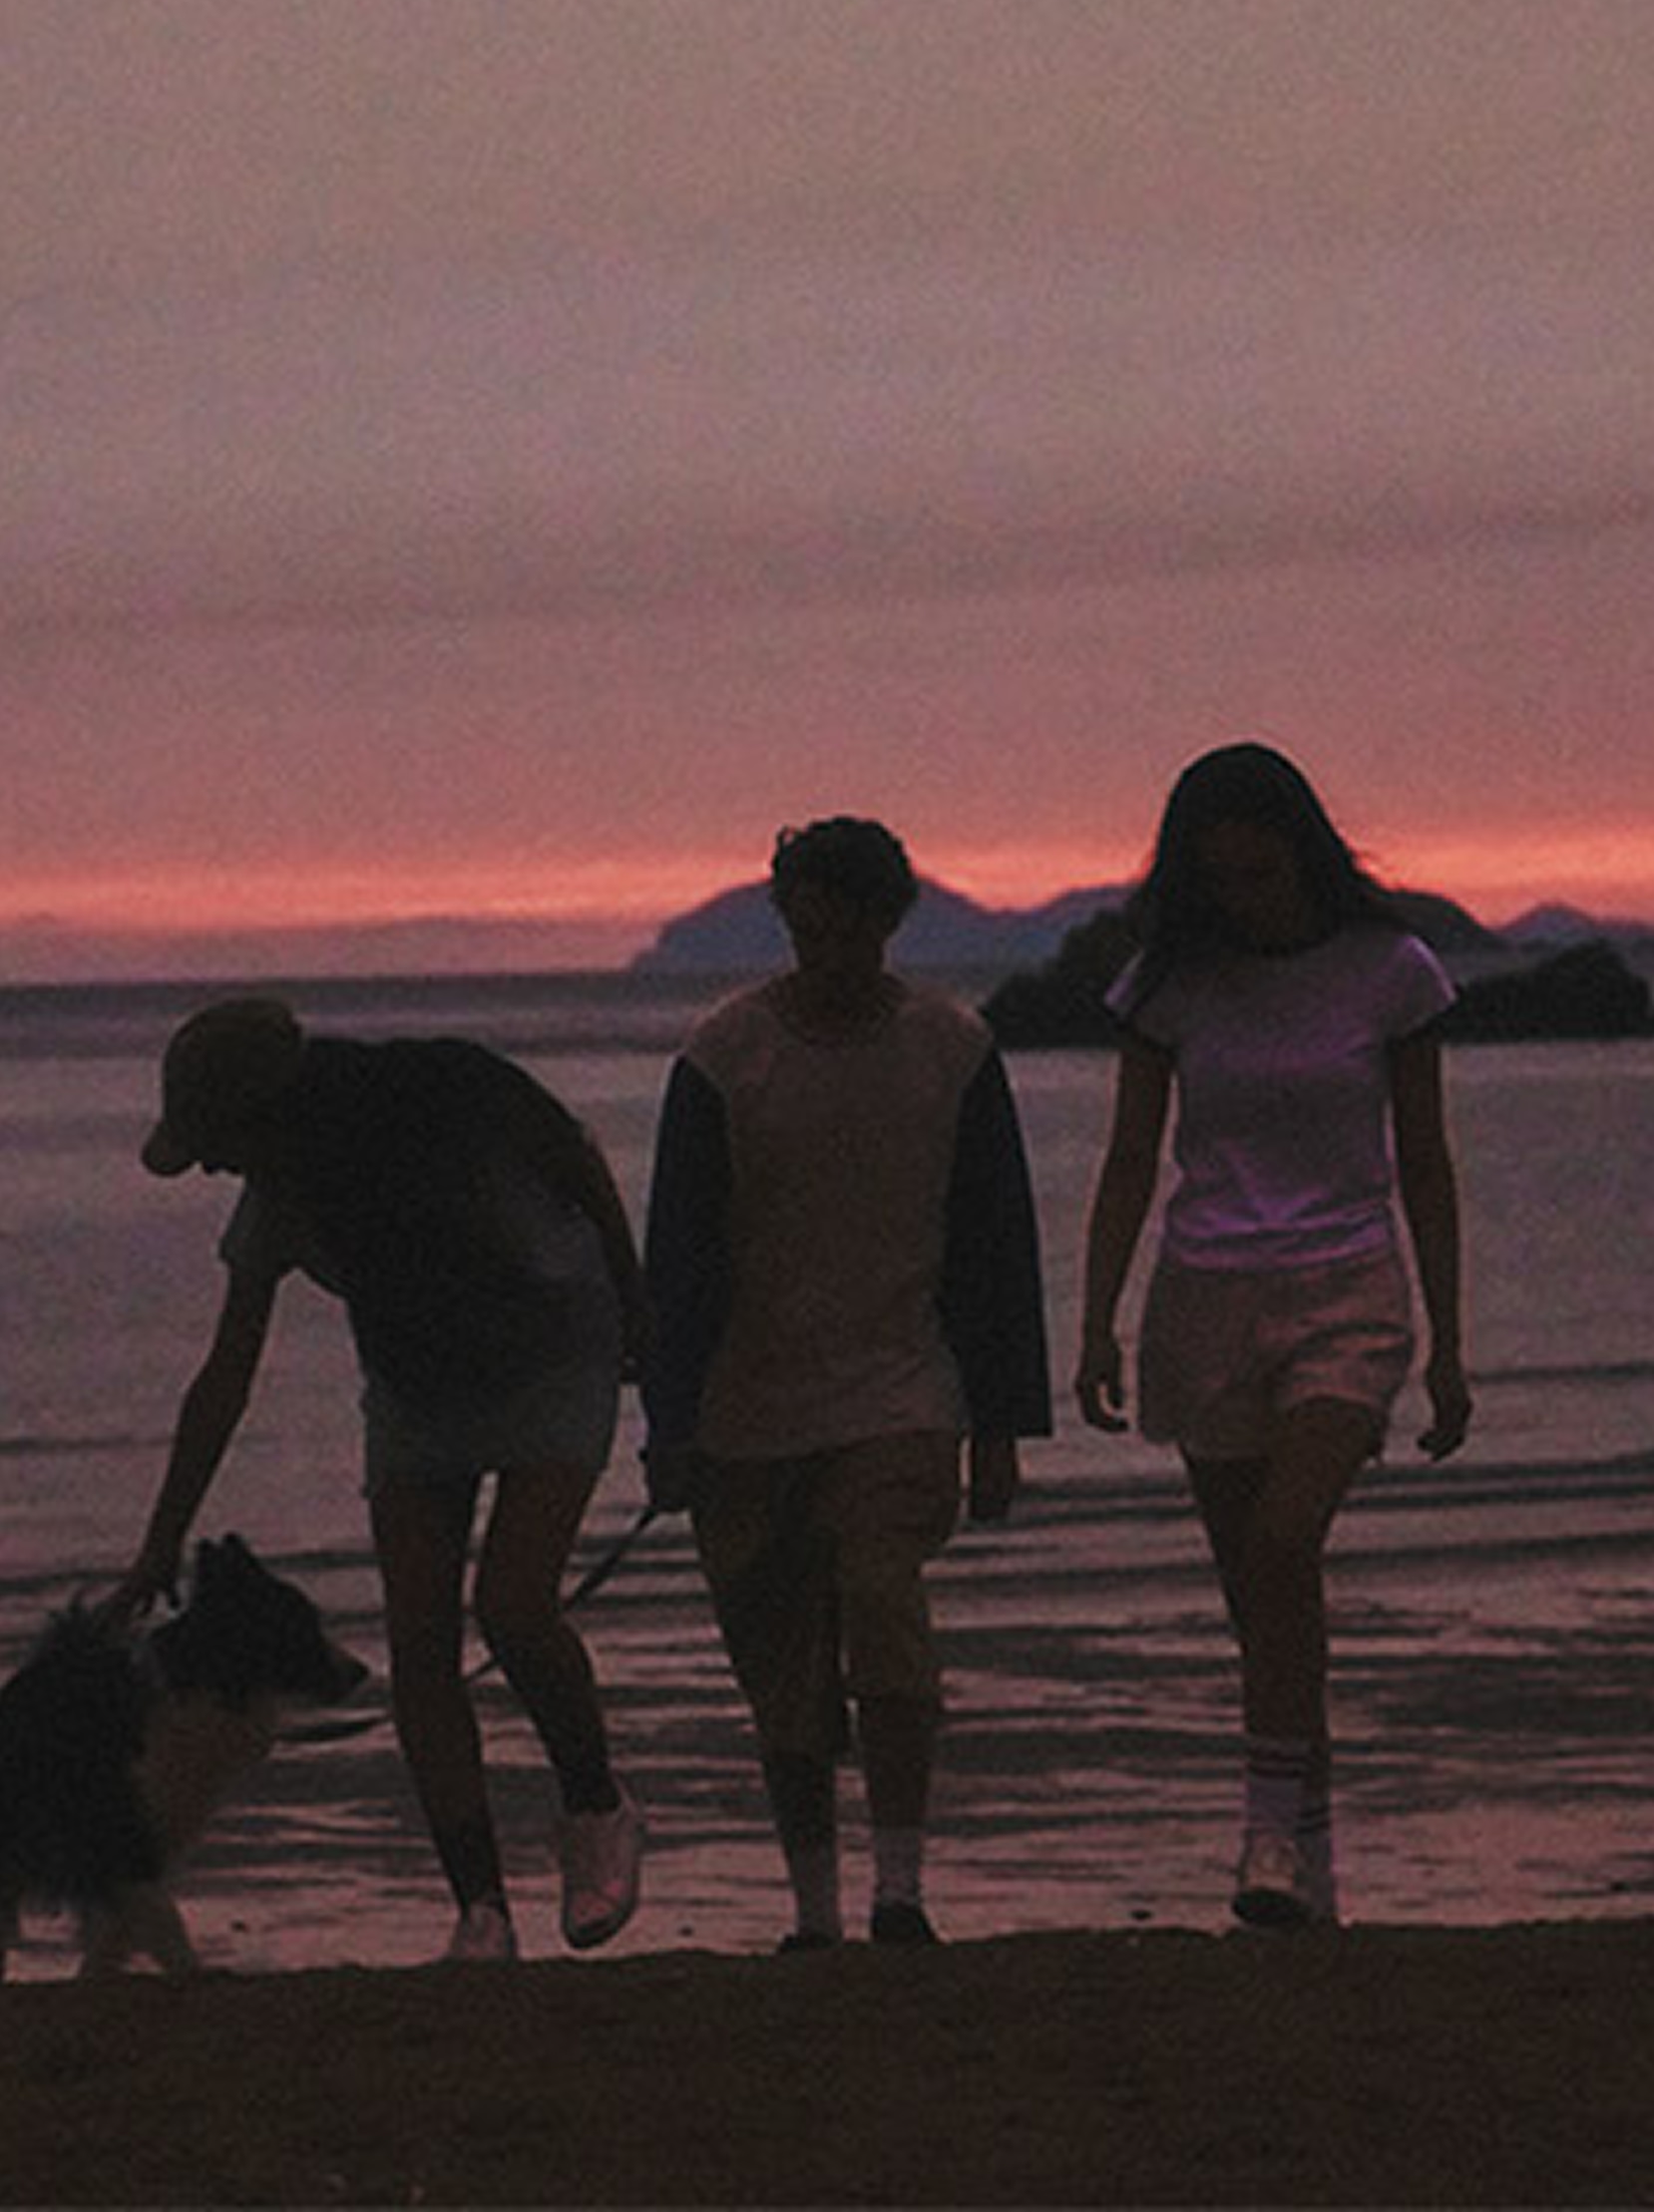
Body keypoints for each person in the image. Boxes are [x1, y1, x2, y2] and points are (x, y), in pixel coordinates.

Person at [118, 995, 646, 1963]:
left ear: (265, 1114)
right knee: (420, 1642)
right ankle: (480, 1907)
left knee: (516, 1605)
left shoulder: (450, 1098)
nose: (207, 1162)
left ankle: (594, 1801)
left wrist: (641, 1305)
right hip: (418, 1390)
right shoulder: (280, 1193)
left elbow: (575, 1156)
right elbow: (224, 1373)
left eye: (212, 1138)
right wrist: (161, 1538)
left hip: (553, 1351)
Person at [1074, 741, 1470, 1930]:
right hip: (1207, 1297)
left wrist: (1450, 1343)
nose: (1243, 897)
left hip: (1346, 1287)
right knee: (1263, 1597)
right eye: (1221, 879)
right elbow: (1132, 1157)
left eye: (1260, 870)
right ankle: (1308, 1839)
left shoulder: (1391, 971)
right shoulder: (1168, 983)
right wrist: (1095, 1320)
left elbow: (1428, 1160)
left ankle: (1265, 1834)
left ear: (1302, 845)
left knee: (1286, 1537)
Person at [641, 817, 1051, 1953]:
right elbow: (680, 1252)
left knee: (883, 1604)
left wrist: (1004, 1422)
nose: (820, 947)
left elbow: (991, 1242)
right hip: (749, 1401)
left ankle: (900, 1888)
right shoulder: (724, 1056)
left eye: (842, 926)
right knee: (783, 1668)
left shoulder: (950, 1048)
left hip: (899, 1386)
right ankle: (815, 1907)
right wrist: (669, 1421)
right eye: (801, 924)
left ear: (886, 920)